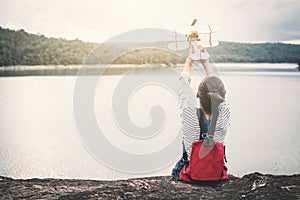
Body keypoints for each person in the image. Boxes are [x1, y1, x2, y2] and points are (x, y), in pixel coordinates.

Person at [172, 46, 231, 180]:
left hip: (191, 171)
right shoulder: (225, 113)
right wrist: (206, 62)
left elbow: (184, 87)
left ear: (197, 95)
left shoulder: (189, 114)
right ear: (222, 97)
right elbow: (218, 89)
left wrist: (188, 62)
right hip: (216, 172)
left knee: (178, 169)